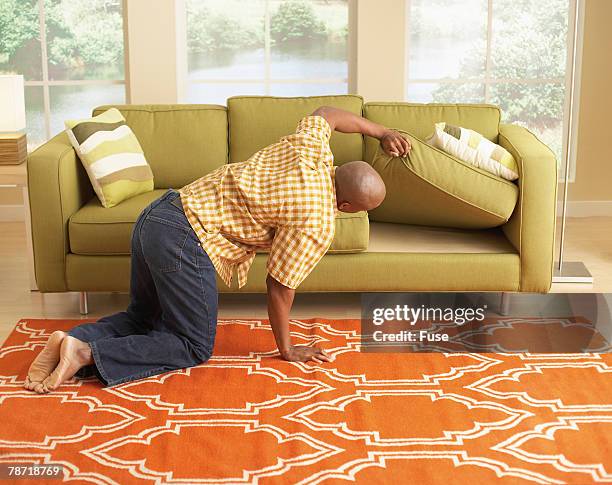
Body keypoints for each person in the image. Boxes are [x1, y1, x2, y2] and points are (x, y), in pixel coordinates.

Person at [23, 106, 411, 393]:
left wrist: (381, 132)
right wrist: (287, 349)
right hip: (184, 240)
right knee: (192, 345)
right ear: (346, 208)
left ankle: (72, 341)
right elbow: (280, 286)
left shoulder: (312, 150)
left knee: (143, 317)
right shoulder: (318, 221)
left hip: (158, 214)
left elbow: (328, 114)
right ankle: (87, 356)